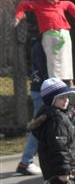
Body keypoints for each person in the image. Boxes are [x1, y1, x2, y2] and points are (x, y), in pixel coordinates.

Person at [14, 0, 75, 85]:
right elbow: (23, 5)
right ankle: (57, 88)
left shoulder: (63, 4)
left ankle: (69, 86)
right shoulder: (37, 5)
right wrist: (17, 17)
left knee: (67, 64)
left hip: (64, 36)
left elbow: (71, 7)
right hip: (50, 36)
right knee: (54, 66)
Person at [16, 37, 48, 176]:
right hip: (43, 89)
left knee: (41, 125)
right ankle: (26, 162)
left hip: (40, 88)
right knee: (38, 125)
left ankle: (27, 160)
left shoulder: (39, 44)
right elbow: (44, 68)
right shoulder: (43, 44)